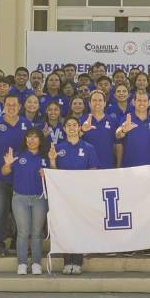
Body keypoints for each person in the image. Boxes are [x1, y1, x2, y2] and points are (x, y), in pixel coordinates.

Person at [0, 95, 32, 257]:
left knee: (21, 211)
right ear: (4, 106)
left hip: (21, 176)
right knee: (1, 208)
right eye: (8, 104)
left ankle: (20, 244)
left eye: (14, 104)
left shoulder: (26, 124)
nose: (11, 107)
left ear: (19, 107)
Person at [2, 129, 53, 275]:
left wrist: (48, 173)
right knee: (23, 232)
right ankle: (22, 263)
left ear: (40, 140)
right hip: (20, 199)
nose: (31, 140)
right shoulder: (17, 156)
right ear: (25, 140)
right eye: (29, 137)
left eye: (35, 137)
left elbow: (55, 175)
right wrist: (7, 165)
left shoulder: (46, 157)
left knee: (37, 233)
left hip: (39, 199)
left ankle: (36, 263)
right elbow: (4, 172)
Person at [54, 116, 100, 274]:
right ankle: (67, 261)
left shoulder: (88, 147)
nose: (72, 127)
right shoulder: (58, 148)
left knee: (79, 226)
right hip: (63, 195)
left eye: (74, 125)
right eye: (68, 125)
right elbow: (54, 172)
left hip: (81, 194)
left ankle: (78, 261)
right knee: (66, 226)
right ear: (64, 129)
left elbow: (93, 170)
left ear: (79, 128)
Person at [81, 90, 118, 169]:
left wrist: (118, 164)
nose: (97, 103)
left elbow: (117, 145)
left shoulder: (113, 121)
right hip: (86, 167)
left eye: (100, 100)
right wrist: (82, 130)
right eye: (94, 100)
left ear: (105, 103)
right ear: (89, 103)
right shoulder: (81, 120)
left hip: (108, 166)